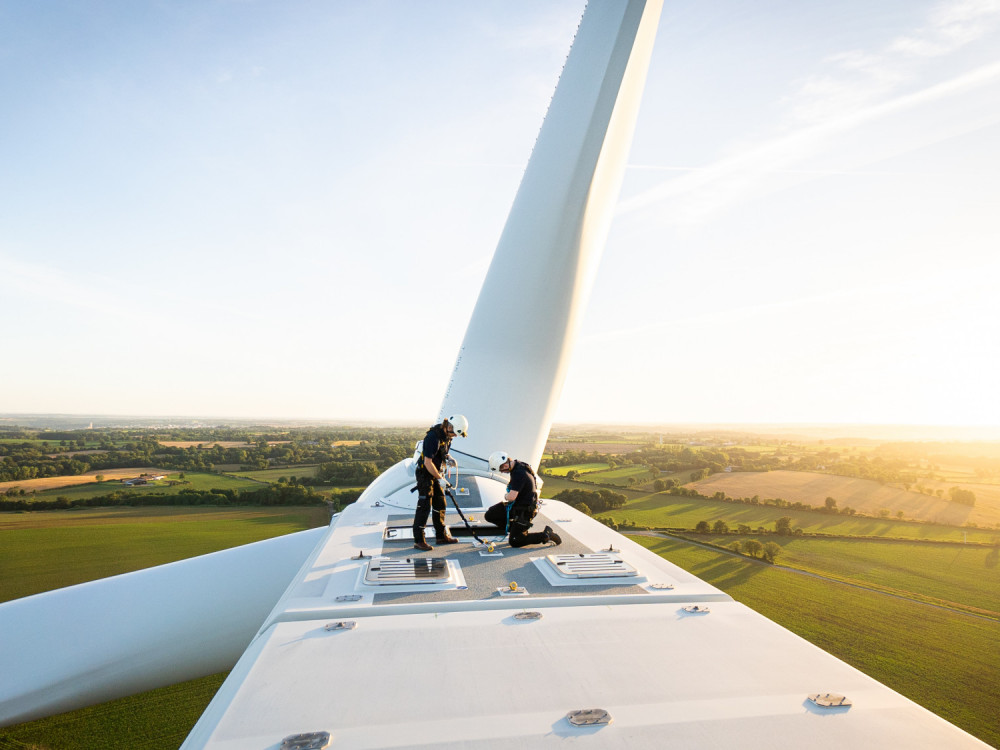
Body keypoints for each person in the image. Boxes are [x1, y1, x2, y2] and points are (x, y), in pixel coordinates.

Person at [412, 414, 469, 551]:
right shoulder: (433, 437)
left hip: (435, 471)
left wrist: (448, 458)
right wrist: (439, 479)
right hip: (425, 473)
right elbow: (427, 462)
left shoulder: (446, 435)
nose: (455, 436)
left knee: (440, 502)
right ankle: (419, 540)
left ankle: (441, 536)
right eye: (455, 433)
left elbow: (441, 451)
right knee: (425, 505)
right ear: (449, 427)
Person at [484, 451, 561, 548]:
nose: (502, 472)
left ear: (504, 465)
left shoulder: (519, 474)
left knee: (515, 541)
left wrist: (506, 496)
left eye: (502, 469)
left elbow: (511, 497)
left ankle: (546, 535)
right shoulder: (519, 465)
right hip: (518, 505)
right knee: (490, 514)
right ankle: (516, 529)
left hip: (525, 511)